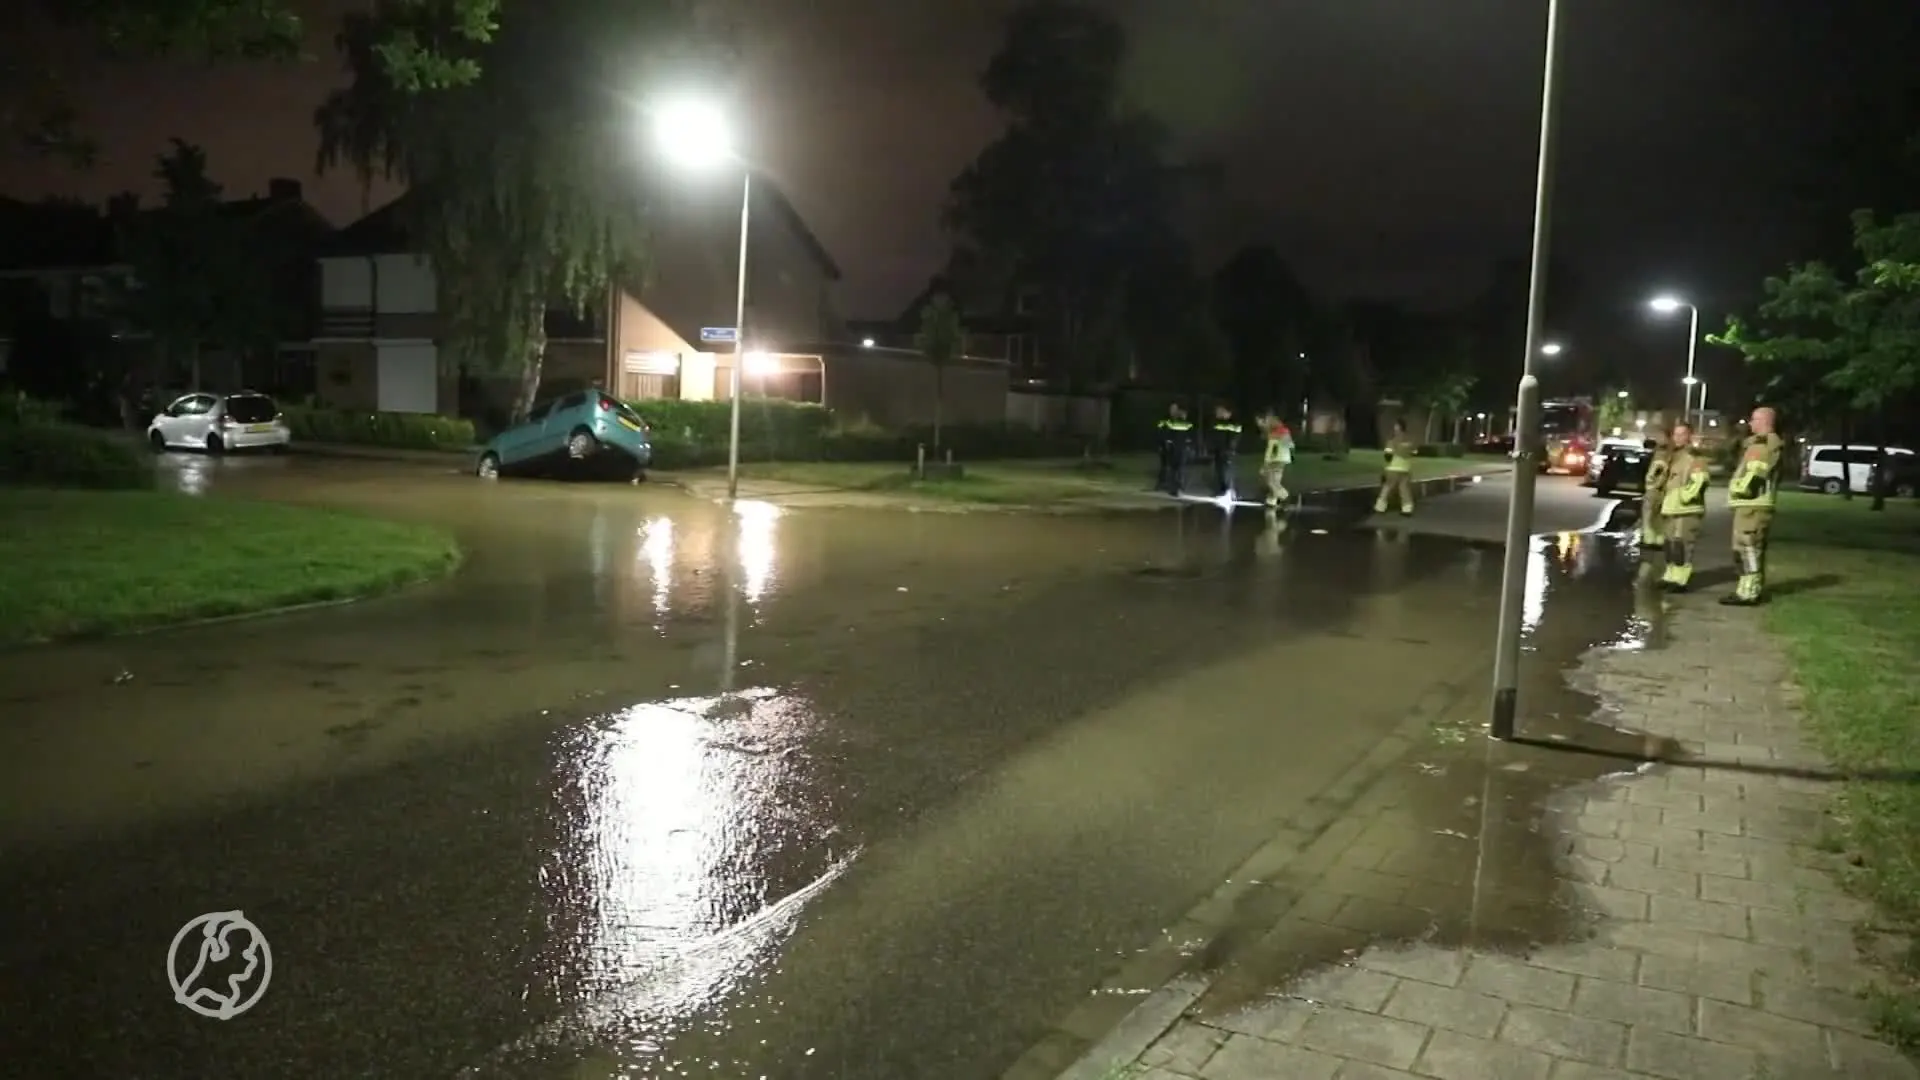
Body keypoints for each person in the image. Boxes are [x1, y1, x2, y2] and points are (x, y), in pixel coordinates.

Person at [1721, 406, 1784, 606]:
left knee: (1749, 549)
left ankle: (1750, 592)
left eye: (1754, 419)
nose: (1750, 423)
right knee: (1743, 550)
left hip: (1754, 505)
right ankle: (1745, 589)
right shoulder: (1756, 444)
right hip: (1749, 506)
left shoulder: (1765, 445)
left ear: (1765, 421)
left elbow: (1756, 474)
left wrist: (1740, 488)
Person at [1656, 423, 1711, 592]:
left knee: (1682, 546)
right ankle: (1670, 575)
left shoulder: (1694, 458)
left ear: (1689, 436)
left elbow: (1700, 480)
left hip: (1686, 510)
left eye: (1682, 434)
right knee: (1670, 545)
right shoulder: (1673, 457)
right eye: (1676, 434)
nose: (1678, 438)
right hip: (1671, 509)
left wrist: (1684, 497)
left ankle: (1681, 580)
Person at [1637, 429, 1672, 559]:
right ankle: (1659, 539)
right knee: (1658, 517)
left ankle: (1649, 539)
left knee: (1648, 515)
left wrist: (1652, 483)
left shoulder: (1660, 454)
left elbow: (1657, 471)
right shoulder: (1671, 453)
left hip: (1654, 490)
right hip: (1663, 491)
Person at [1375, 421, 1417, 515]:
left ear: (1397, 429)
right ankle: (1407, 508)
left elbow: (1388, 456)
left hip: (1393, 468)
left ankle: (1380, 507)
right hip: (1405, 469)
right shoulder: (1410, 441)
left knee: (1387, 487)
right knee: (1404, 488)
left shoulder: (1392, 441)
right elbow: (1414, 453)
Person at [1154, 403, 1193, 495]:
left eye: (1175, 409)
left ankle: (1176, 487)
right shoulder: (1168, 420)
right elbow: (1161, 432)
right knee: (1170, 467)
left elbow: (1189, 436)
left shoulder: (1177, 422)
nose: (1173, 411)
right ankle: (1169, 485)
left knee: (1177, 469)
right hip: (1171, 448)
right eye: (1172, 409)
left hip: (1177, 449)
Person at [1259, 410, 1295, 508]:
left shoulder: (1275, 433)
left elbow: (1271, 450)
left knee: (1271, 480)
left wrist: (1266, 464)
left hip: (1276, 459)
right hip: (1282, 458)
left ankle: (1284, 496)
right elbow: (1291, 445)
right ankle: (1272, 500)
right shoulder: (1281, 431)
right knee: (1275, 480)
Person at [1209, 404, 1242, 498]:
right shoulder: (1216, 422)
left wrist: (1230, 448)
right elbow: (1213, 435)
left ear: (1227, 412)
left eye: (1220, 411)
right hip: (1218, 450)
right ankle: (1222, 490)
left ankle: (1231, 491)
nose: (1217, 413)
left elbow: (1235, 437)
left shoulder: (1234, 423)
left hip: (1228, 451)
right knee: (1219, 471)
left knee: (1228, 472)